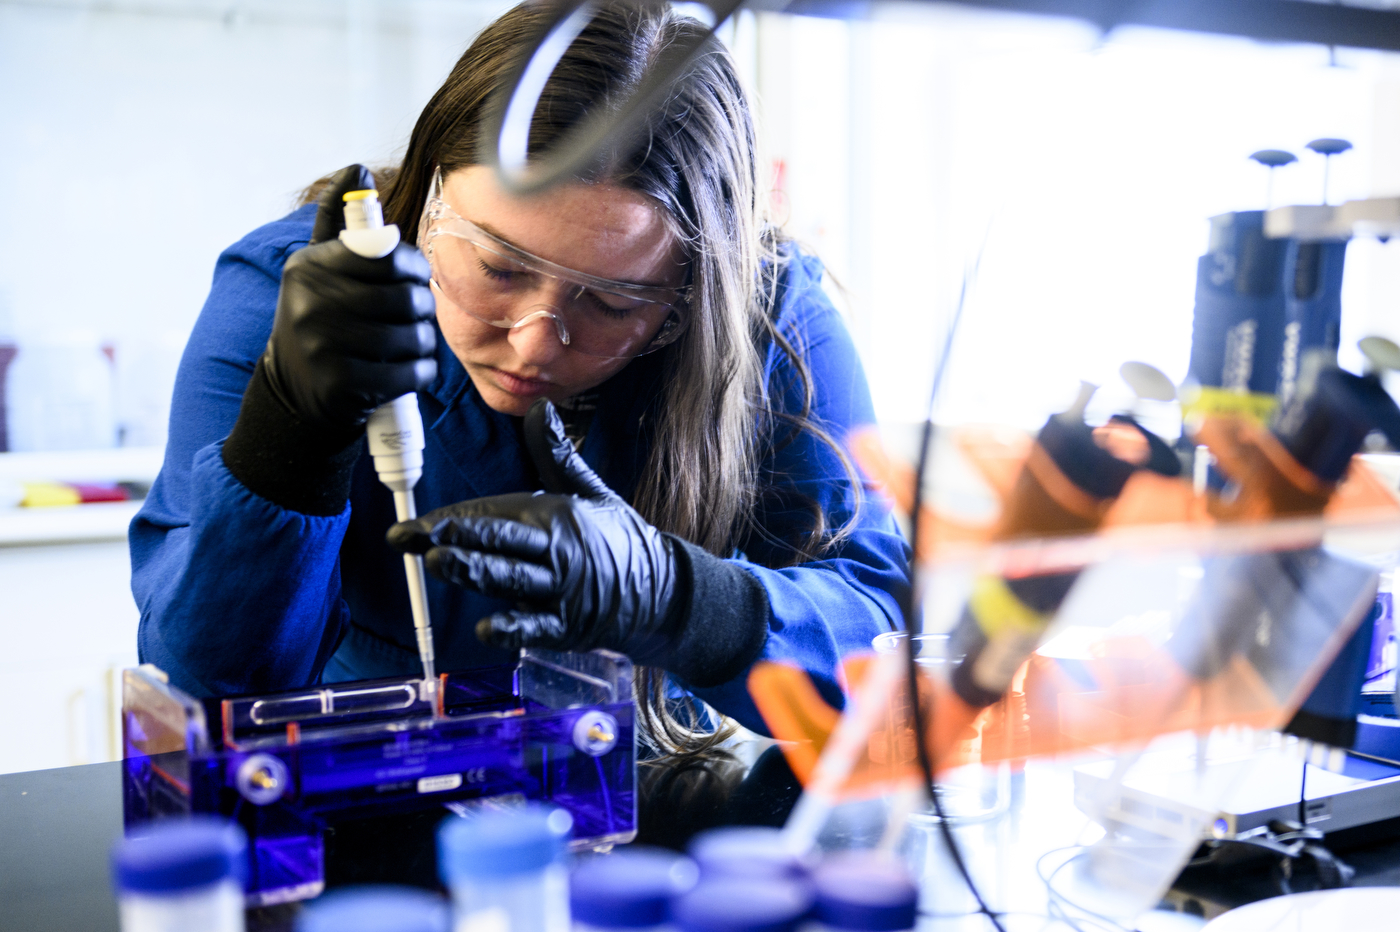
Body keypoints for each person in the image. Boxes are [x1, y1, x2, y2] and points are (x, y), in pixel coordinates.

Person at [130, 0, 908, 747]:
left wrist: (685, 604)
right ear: (431, 197)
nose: (534, 343)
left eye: (608, 302)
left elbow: (890, 646)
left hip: (642, 800)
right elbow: (202, 700)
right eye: (498, 268)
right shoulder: (283, 296)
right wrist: (288, 437)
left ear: (688, 298)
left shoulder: (765, 319)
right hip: (363, 793)